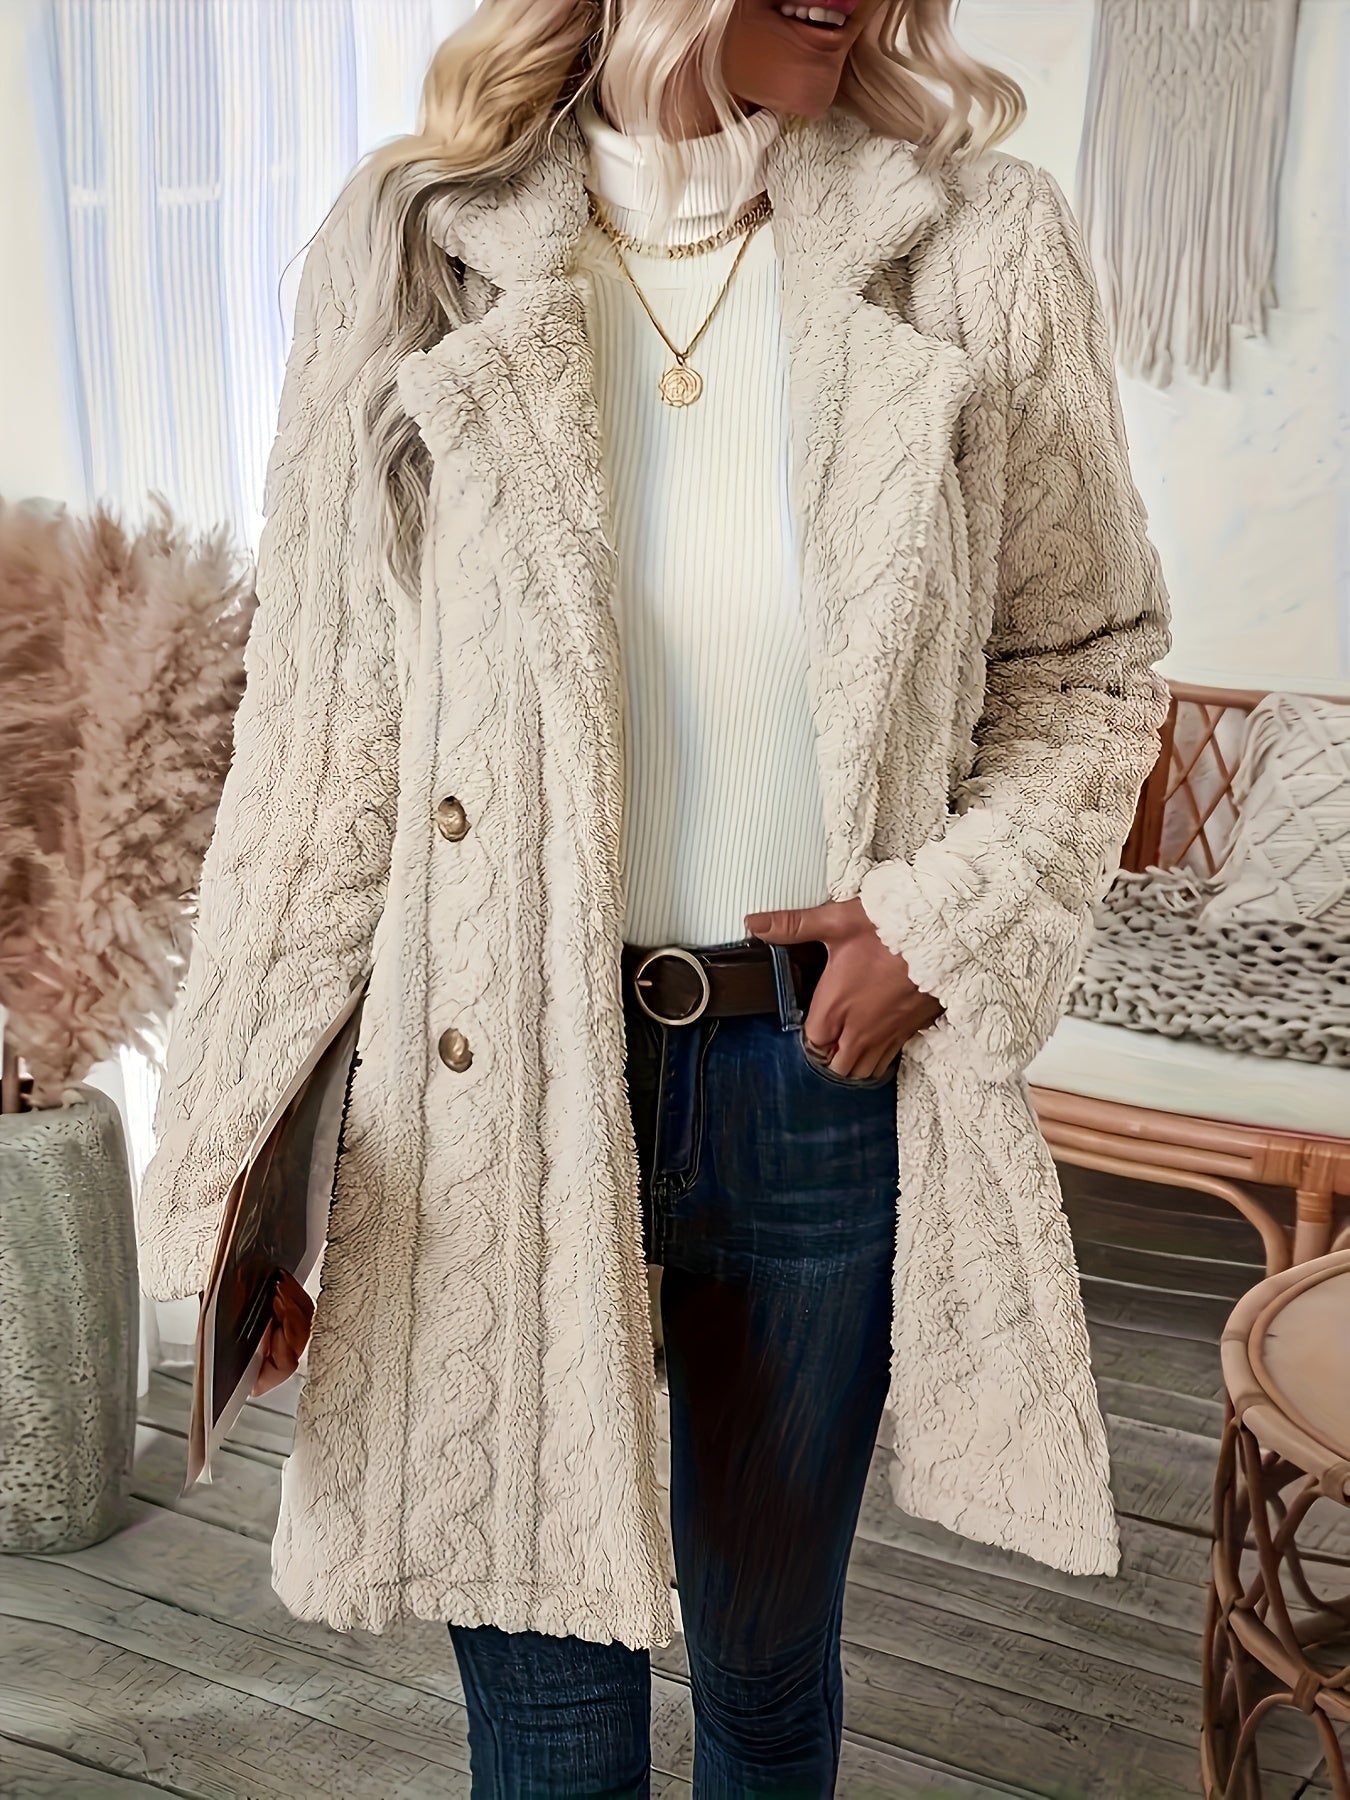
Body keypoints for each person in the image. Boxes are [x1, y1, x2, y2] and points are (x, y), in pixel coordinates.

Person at [136, 0, 1173, 1793]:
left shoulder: (976, 242)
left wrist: (944, 920)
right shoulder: (412, 246)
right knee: (545, 1723)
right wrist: (227, 1169)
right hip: (486, 1075)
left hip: (812, 1074)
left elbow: (1087, 659)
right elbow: (319, 745)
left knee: (766, 1672)